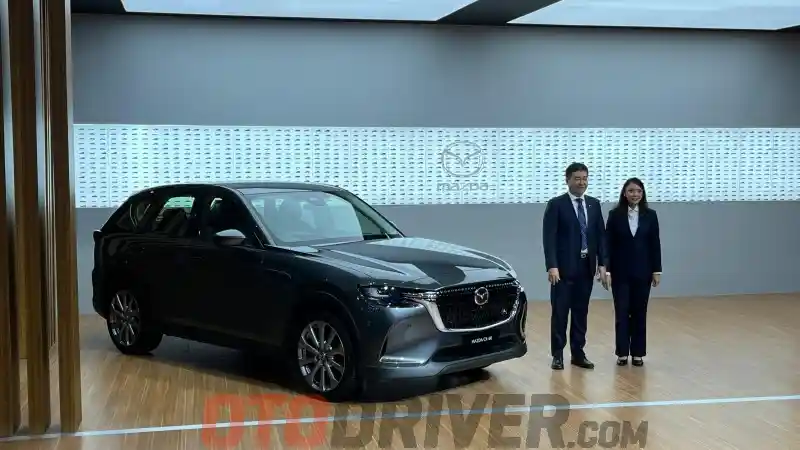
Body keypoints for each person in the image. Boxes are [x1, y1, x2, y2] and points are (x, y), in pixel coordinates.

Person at [542, 162, 608, 370]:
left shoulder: (594, 204)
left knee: (581, 313)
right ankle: (558, 355)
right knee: (560, 313)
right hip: (563, 269)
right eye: (577, 178)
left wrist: (603, 264)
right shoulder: (556, 204)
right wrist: (552, 266)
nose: (582, 182)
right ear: (568, 180)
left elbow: (601, 236)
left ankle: (578, 353)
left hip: (586, 267)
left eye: (585, 178)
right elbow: (549, 238)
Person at [604, 177, 662, 367]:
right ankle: (622, 353)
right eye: (631, 191)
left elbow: (655, 244)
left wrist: (657, 270)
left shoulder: (650, 215)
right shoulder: (615, 215)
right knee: (621, 313)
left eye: (638, 191)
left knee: (639, 312)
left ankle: (638, 353)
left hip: (643, 272)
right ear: (624, 193)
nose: (635, 194)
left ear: (642, 194)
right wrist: (607, 270)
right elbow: (608, 244)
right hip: (620, 273)